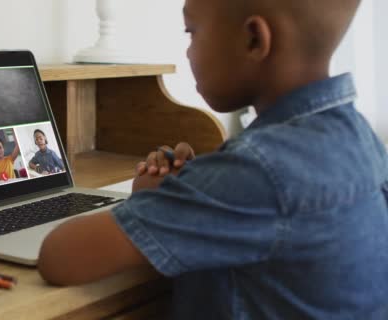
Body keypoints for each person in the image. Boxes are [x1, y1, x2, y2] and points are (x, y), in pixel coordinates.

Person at [38, 0, 388, 319]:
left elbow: (60, 257)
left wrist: (181, 196)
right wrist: (189, 189)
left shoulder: (258, 169)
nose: (188, 52)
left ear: (254, 39)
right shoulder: (358, 137)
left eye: (191, 32)